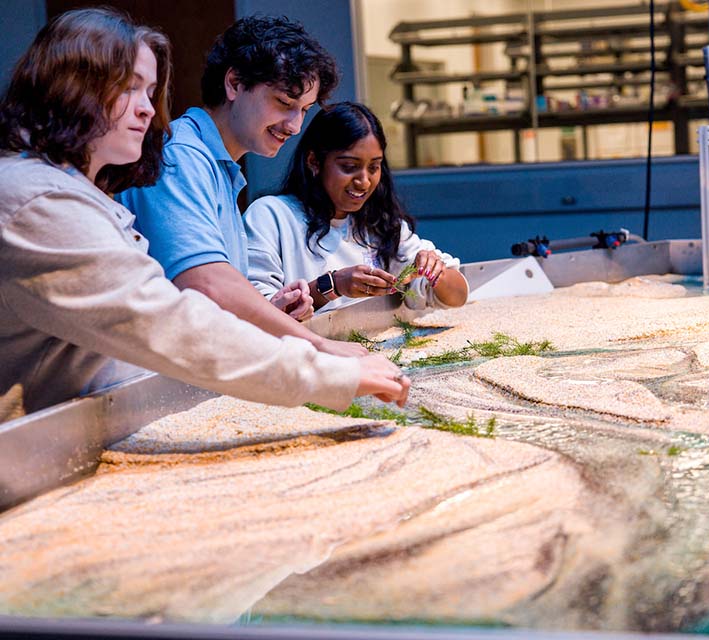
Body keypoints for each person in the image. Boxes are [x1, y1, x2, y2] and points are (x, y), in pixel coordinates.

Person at [0, 8, 408, 423]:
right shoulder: (43, 197)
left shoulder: (84, 188)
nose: (146, 109)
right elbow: (177, 310)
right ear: (70, 87)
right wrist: (321, 360)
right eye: (129, 88)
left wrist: (266, 320)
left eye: (150, 91)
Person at [117, 16, 364, 357]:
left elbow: (211, 309)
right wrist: (319, 346)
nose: (294, 126)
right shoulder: (182, 157)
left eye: (304, 110)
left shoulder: (218, 164)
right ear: (234, 83)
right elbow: (206, 283)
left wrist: (270, 313)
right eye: (284, 103)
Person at [244, 102, 469, 312]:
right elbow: (259, 311)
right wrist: (334, 285)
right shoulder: (271, 216)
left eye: (374, 167)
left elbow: (457, 297)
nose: (364, 181)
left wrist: (436, 273)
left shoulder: (381, 224)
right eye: (349, 166)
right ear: (314, 162)